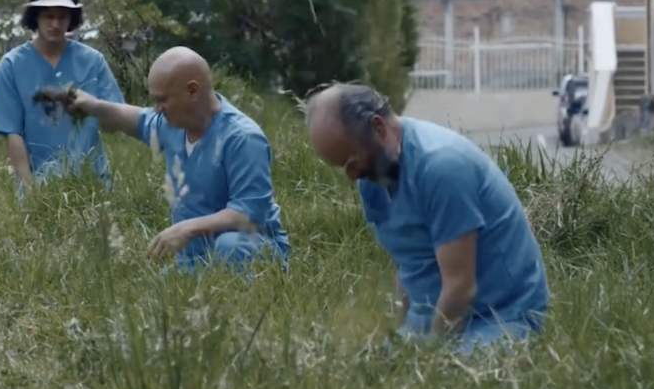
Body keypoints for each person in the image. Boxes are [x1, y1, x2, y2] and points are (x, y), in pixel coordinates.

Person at [304, 83, 550, 354]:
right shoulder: (374, 175)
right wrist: (404, 334)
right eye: (341, 167)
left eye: (351, 160)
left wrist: (429, 359)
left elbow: (460, 287)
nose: (350, 175)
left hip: (497, 317)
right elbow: (404, 262)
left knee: (451, 382)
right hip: (431, 321)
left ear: (378, 128)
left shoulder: (442, 167)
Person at [64, 46, 290, 272]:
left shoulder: (242, 138)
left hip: (251, 249)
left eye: (162, 100)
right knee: (156, 294)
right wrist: (92, 105)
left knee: (228, 245)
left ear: (192, 91)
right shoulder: (172, 124)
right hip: (196, 256)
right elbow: (136, 119)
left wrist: (187, 229)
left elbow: (249, 214)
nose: (157, 109)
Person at [0, 0, 125, 193]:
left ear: (71, 19)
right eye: (48, 16)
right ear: (36, 18)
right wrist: (28, 189)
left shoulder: (92, 61)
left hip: (91, 182)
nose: (55, 24)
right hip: (38, 183)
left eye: (62, 17)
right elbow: (12, 133)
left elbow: (116, 116)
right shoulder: (12, 65)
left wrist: (94, 106)